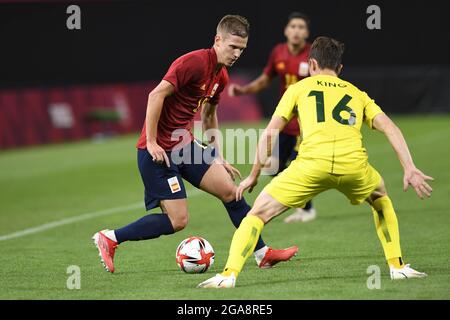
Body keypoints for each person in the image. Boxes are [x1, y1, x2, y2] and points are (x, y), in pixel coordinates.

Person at [198, 36, 433, 288]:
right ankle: (397, 267)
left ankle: (228, 275)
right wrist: (409, 167)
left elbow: (270, 133)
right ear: (339, 69)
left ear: (311, 65)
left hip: (310, 166)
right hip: (353, 166)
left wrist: (254, 174)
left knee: (255, 215)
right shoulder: (356, 93)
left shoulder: (298, 89)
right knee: (381, 200)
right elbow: (390, 127)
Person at [92, 15, 298, 274]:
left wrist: (217, 155)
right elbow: (155, 95)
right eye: (232, 47)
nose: (236, 54)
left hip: (184, 146)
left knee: (230, 192)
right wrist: (153, 142)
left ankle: (262, 253)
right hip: (158, 153)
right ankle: (110, 238)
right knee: (178, 221)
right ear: (217, 40)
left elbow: (209, 116)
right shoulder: (194, 62)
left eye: (241, 49)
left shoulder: (220, 76)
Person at [228, 12, 317, 223]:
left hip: (305, 124)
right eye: (293, 26)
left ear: (306, 32)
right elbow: (266, 79)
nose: (296, 31)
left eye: (301, 27)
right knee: (273, 167)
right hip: (284, 121)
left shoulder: (313, 55)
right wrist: (244, 91)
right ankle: (302, 204)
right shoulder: (278, 52)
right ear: (286, 30)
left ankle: (306, 208)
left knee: (298, 169)